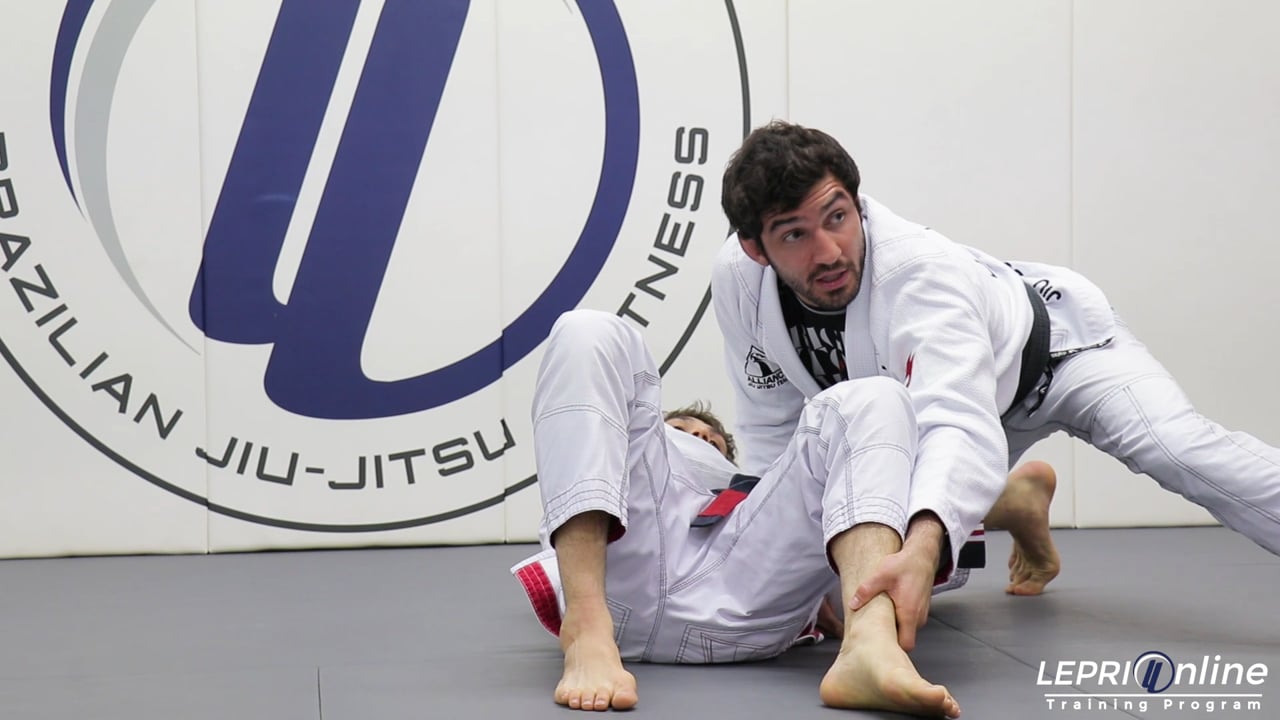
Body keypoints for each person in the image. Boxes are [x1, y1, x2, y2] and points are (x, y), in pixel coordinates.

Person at [712, 120, 1280, 635]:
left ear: (857, 203)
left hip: (1065, 357)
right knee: (866, 573)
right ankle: (1015, 501)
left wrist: (921, 550)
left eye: (837, 217)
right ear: (755, 249)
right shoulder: (739, 282)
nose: (829, 251)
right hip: (964, 410)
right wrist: (781, 558)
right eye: (795, 235)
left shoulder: (918, 273)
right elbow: (772, 426)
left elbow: (956, 423)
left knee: (1176, 449)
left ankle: (1000, 499)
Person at [510, 309, 1056, 714]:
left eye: (709, 437)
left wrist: (826, 582)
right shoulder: (630, 456)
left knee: (876, 397)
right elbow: (586, 446)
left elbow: (851, 504)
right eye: (684, 430)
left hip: (743, 597)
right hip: (617, 580)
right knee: (587, 329)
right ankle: (586, 628)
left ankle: (869, 644)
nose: (698, 437)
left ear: (728, 454)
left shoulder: (755, 487)